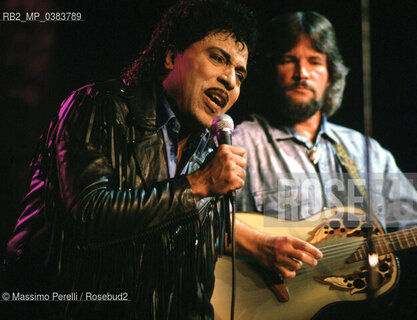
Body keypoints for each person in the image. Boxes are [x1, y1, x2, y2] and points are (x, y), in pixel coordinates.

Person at [4, 0, 257, 319]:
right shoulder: (98, 107)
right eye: (218, 58)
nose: (231, 80)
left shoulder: (208, 154)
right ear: (170, 56)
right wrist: (198, 185)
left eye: (240, 74)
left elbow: (194, 282)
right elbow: (89, 215)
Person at [232, 12, 417, 280]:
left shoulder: (369, 151)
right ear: (270, 71)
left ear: (331, 75)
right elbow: (198, 224)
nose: (301, 73)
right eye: (288, 60)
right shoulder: (239, 142)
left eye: (314, 61)